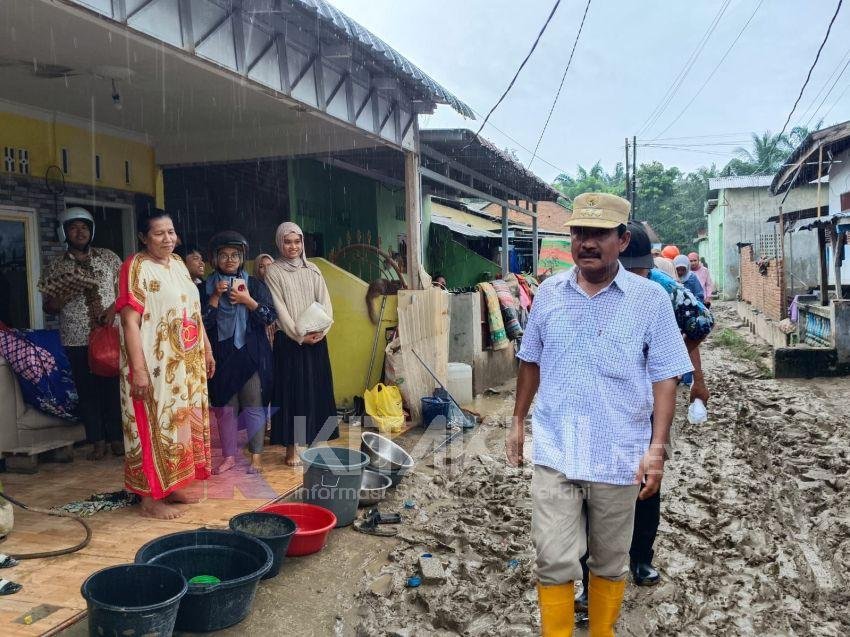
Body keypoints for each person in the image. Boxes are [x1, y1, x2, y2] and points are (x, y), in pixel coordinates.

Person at [507, 192, 692, 636]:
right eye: (579, 233)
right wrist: (517, 422)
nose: (587, 243)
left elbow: (666, 377)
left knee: (610, 561)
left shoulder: (649, 300)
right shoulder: (549, 293)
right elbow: (530, 360)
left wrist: (657, 449)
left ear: (622, 240)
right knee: (553, 559)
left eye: (598, 234)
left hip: (618, 454)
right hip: (556, 449)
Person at [576, 221, 714, 610]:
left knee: (646, 481)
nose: (634, 275)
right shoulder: (589, 288)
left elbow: (701, 324)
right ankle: (591, 578)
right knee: (594, 487)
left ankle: (640, 558)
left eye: (639, 268)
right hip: (603, 404)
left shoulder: (662, 290)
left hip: (654, 402)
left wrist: (682, 366)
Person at [116, 209, 215, 519]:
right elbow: (129, 321)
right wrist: (139, 370)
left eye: (171, 232)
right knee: (151, 424)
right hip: (153, 363)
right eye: (159, 233)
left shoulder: (178, 265)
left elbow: (193, 312)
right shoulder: (135, 267)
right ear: (144, 237)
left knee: (178, 423)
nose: (168, 238)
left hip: (185, 363)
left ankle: (170, 486)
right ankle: (148, 499)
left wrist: (207, 349)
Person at [40, 207, 123, 460]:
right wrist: (65, 294)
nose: (80, 232)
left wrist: (111, 310)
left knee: (112, 388)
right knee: (87, 392)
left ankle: (117, 439)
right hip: (77, 338)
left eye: (84, 227)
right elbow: (49, 306)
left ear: (92, 230)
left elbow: (126, 292)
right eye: (74, 228)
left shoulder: (108, 258)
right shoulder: (55, 267)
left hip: (109, 335)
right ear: (65, 232)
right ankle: (97, 441)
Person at [199, 232, 276, 475]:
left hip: (251, 353)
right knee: (225, 408)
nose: (230, 260)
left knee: (254, 403)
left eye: (235, 255)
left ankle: (256, 457)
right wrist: (215, 297)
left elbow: (269, 316)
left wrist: (247, 300)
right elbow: (201, 322)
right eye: (223, 255)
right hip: (220, 356)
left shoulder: (253, 284)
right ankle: (229, 456)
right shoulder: (205, 288)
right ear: (214, 259)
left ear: (243, 258)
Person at [264, 222, 339, 466]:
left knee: (317, 391)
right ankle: (292, 449)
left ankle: (317, 444)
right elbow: (279, 308)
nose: (293, 247)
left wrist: (322, 330)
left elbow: (326, 304)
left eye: (297, 241)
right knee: (292, 394)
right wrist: (298, 334)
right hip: (290, 343)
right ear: (279, 243)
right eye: (287, 242)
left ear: (303, 243)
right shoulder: (273, 272)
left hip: (317, 340)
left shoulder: (314, 270)